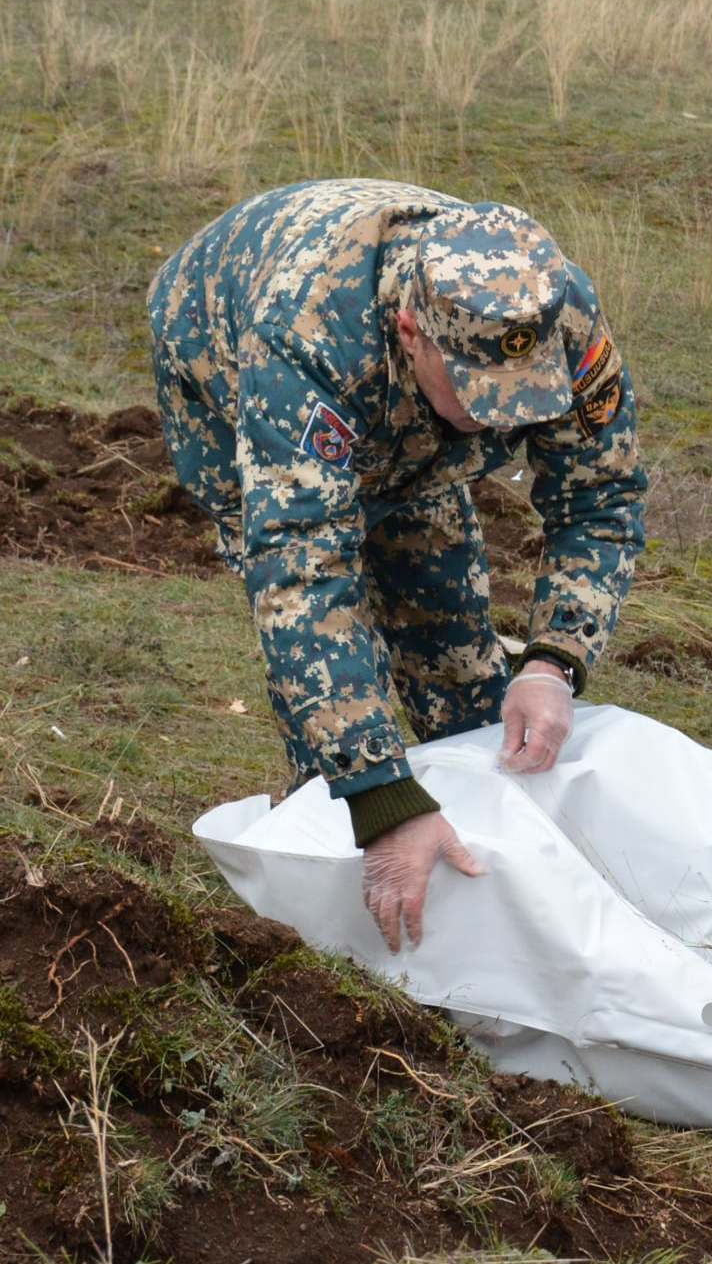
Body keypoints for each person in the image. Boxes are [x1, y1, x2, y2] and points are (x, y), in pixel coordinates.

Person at [149, 179, 646, 955]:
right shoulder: (305, 339)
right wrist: (381, 797)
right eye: (482, 393)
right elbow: (303, 574)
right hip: (218, 345)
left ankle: (495, 897)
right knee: (337, 731)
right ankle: (331, 913)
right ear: (413, 332)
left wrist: (554, 660)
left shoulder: (555, 314)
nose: (504, 417)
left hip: (399, 411)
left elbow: (601, 499)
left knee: (460, 663)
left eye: (524, 396)